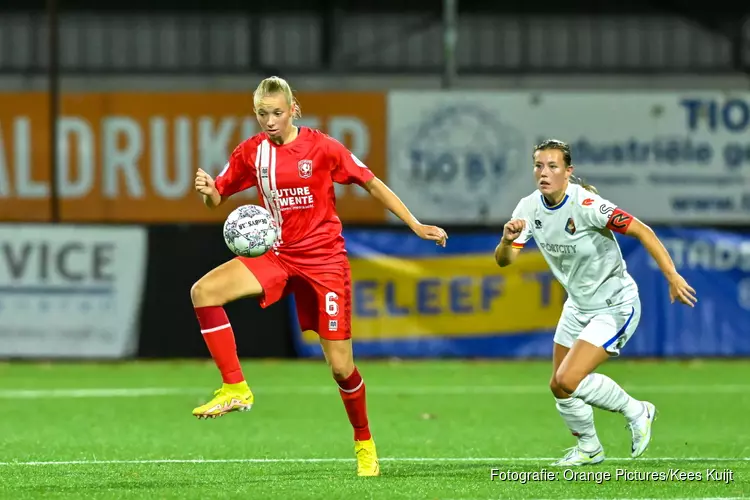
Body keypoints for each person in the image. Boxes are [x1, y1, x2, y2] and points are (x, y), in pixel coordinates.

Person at [190, 76, 448, 477]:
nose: (270, 121)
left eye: (277, 112)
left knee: (341, 367)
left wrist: (415, 225)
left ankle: (364, 443)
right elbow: (217, 198)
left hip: (324, 262)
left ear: (294, 109)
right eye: (262, 114)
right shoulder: (251, 153)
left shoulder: (323, 147)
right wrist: (208, 190)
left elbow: (371, 182)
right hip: (277, 255)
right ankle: (235, 387)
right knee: (204, 292)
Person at [495, 139, 696, 466]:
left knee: (567, 380)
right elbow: (504, 261)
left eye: (552, 166)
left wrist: (672, 275)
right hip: (577, 307)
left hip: (615, 305)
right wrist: (506, 241)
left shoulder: (587, 204)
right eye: (538, 166)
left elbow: (642, 230)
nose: (543, 173)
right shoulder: (528, 208)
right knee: (559, 388)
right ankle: (590, 448)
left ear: (568, 172)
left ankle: (638, 410)